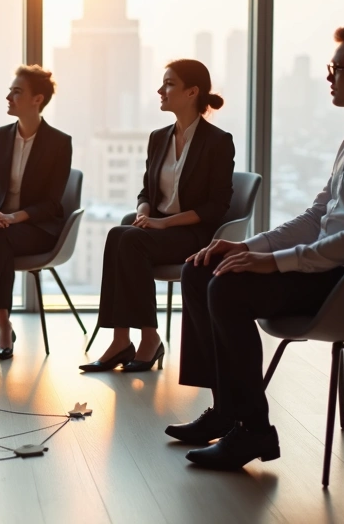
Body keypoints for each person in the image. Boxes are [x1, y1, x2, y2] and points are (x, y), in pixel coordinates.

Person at [167, 20, 344, 471]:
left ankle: (253, 430)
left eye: (337, 67)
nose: (328, 76)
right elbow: (318, 216)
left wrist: (271, 263)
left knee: (228, 290)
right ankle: (227, 410)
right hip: (331, 268)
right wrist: (244, 247)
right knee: (201, 269)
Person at [80, 60, 234, 373]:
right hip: (158, 230)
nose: (160, 90)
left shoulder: (217, 142)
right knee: (121, 231)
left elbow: (216, 208)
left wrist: (162, 223)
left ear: (191, 92)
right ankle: (121, 339)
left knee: (131, 239)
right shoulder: (158, 137)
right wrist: (144, 212)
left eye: (169, 84)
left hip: (194, 234)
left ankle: (148, 339)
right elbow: (146, 193)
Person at [0, 65, 71, 365]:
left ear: (38, 99)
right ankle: (2, 326)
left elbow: (51, 204)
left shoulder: (59, 143)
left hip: (34, 228)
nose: (8, 97)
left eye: (16, 92)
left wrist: (12, 217)